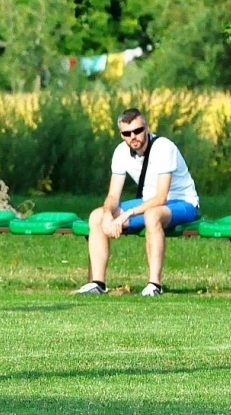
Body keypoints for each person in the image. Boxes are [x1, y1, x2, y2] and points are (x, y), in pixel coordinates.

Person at [74, 108, 201, 297]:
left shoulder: (164, 147)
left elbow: (161, 198)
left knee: (152, 215)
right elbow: (113, 196)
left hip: (182, 202)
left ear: (147, 128)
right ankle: (98, 283)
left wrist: (127, 214)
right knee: (97, 216)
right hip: (147, 202)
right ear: (121, 135)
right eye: (127, 133)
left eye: (138, 131)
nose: (133, 136)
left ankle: (154, 285)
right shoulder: (120, 152)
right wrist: (109, 213)